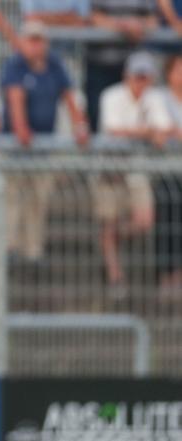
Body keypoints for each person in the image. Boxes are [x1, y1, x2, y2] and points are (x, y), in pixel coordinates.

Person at [1, 21, 89, 266]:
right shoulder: (15, 64)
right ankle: (10, 249)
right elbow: (15, 98)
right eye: (31, 39)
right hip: (15, 149)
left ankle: (33, 253)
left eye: (39, 40)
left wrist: (80, 127)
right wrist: (21, 129)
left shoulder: (55, 65)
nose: (35, 45)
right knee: (13, 199)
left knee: (38, 200)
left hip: (42, 148)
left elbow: (70, 98)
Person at [97, 51, 170, 298]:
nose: (141, 81)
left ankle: (110, 241)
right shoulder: (112, 95)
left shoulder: (155, 98)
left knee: (143, 221)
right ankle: (115, 276)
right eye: (137, 76)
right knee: (109, 220)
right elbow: (114, 131)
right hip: (109, 170)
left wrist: (149, 133)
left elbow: (165, 130)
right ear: (127, 76)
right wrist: (148, 133)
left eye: (145, 76)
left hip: (137, 171)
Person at [86, 0, 159, 133]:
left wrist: (139, 26)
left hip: (133, 63)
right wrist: (123, 26)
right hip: (101, 64)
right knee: (97, 115)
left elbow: (152, 21)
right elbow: (94, 17)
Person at [155, 54, 182, 296]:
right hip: (165, 172)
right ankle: (168, 277)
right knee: (168, 222)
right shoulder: (159, 98)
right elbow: (161, 131)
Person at [21, 0, 91, 25]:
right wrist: (68, 17)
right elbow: (30, 18)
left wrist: (44, 17)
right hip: (37, 52)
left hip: (74, 50)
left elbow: (83, 21)